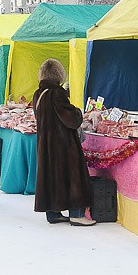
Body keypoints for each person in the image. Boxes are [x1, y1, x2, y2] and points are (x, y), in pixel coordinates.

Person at [32, 58, 95, 226]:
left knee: (51, 176)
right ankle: (77, 213)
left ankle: (53, 213)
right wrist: (77, 112)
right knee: (72, 176)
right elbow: (71, 119)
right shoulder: (57, 93)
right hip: (63, 145)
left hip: (46, 144)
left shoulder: (38, 94)